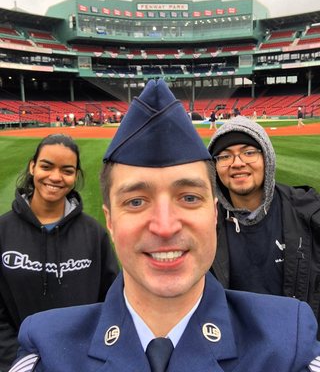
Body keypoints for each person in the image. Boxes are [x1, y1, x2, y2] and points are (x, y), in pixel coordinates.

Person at [9, 81, 320, 372]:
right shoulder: (46, 350)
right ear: (110, 221)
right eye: (135, 201)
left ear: (214, 214)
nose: (165, 226)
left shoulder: (291, 345)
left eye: (188, 197)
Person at [0, 134, 119, 371]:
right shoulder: (3, 231)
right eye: (46, 166)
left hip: (81, 361)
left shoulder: (94, 234)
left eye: (67, 170)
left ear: (75, 176)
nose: (55, 177)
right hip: (18, 363)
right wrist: (17, 361)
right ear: (33, 167)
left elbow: (111, 301)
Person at [207, 116, 320, 335]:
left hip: (300, 346)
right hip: (238, 350)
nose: (237, 163)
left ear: (266, 156)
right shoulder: (205, 223)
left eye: (249, 152)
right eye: (225, 156)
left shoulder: (308, 211)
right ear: (215, 167)